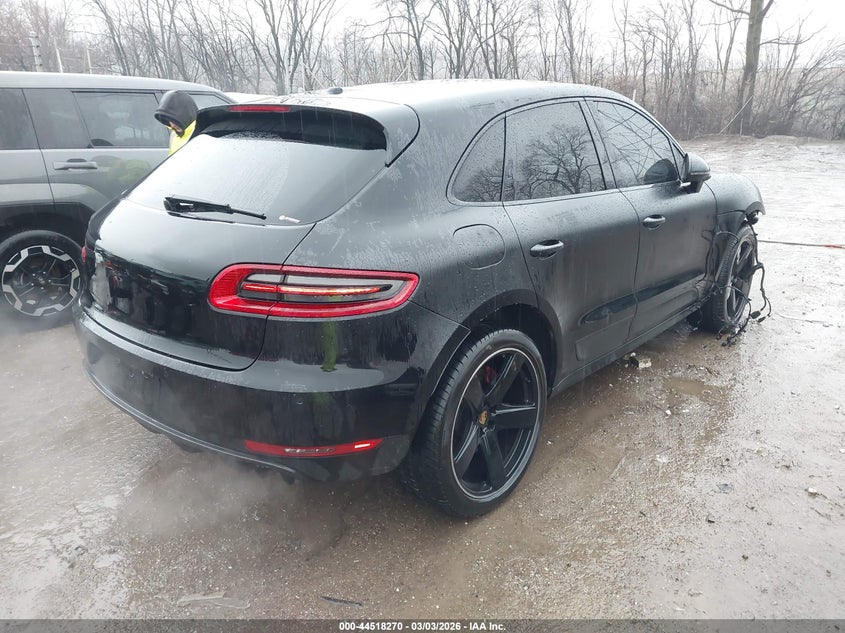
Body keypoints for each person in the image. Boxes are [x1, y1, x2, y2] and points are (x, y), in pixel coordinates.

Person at [154, 90, 198, 155]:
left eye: (174, 119)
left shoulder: (201, 136)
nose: (172, 125)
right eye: (168, 120)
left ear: (186, 114)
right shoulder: (174, 135)